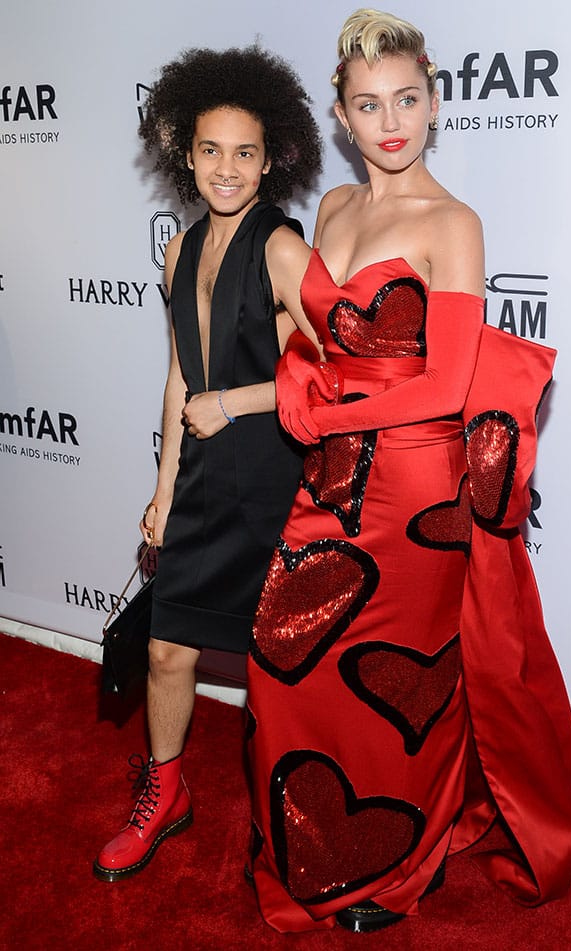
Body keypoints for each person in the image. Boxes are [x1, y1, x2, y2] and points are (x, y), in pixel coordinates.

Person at [244, 8, 571, 934]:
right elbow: (318, 336)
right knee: (283, 664)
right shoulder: (333, 208)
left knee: (402, 682)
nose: (390, 119)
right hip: (328, 478)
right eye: (368, 104)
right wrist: (294, 378)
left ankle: (401, 864)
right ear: (341, 115)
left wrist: (323, 405)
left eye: (407, 98)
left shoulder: (452, 221)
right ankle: (317, 847)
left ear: (435, 102)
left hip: (412, 488)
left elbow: (444, 382)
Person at [93, 46, 323, 882]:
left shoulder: (284, 250)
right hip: (198, 479)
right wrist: (161, 488)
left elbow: (332, 374)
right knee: (166, 651)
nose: (228, 169)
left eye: (246, 152)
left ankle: (286, 813)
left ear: (273, 159)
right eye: (212, 151)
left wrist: (235, 402)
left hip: (269, 480)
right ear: (185, 155)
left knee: (272, 672)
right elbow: (180, 373)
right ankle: (165, 792)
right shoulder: (179, 250)